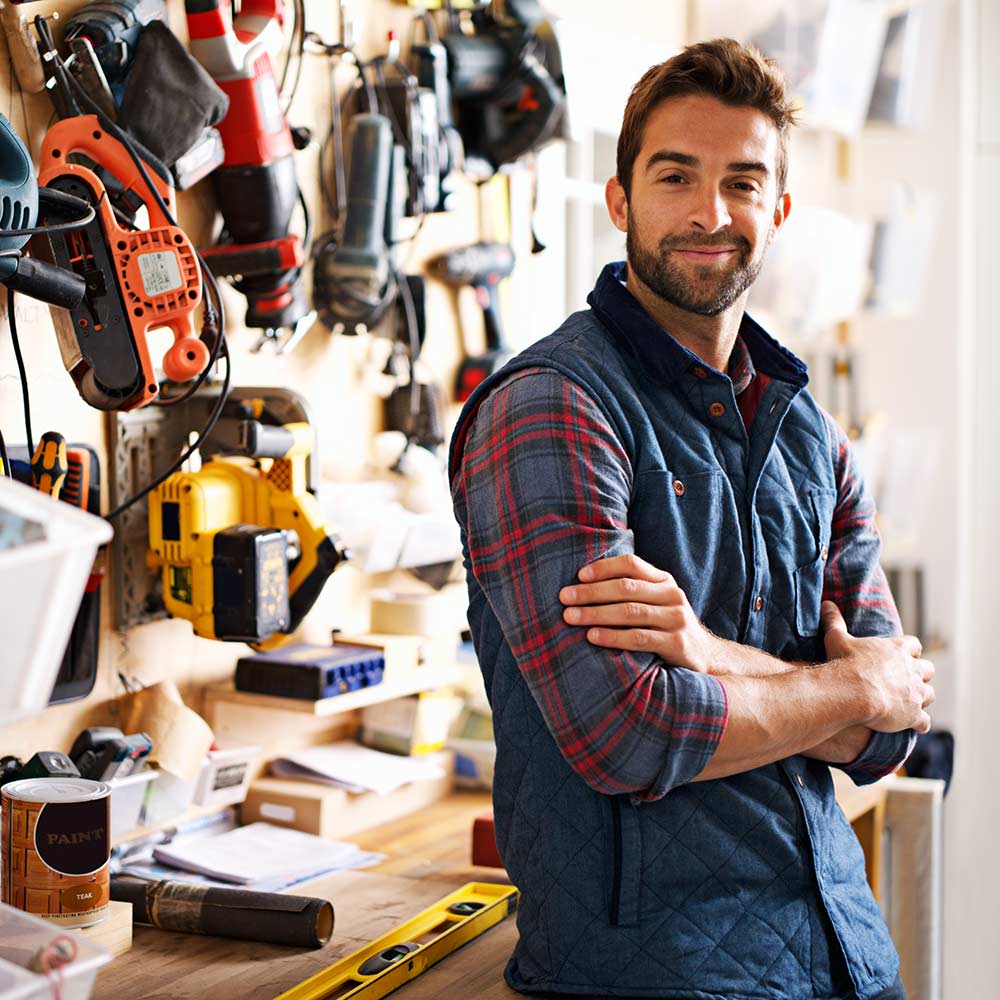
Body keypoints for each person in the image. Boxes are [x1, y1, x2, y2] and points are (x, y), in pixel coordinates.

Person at [448, 37, 934, 1000]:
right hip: (649, 974)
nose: (711, 213)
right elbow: (628, 734)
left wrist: (706, 653)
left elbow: (895, 732)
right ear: (620, 199)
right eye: (677, 176)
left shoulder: (808, 433)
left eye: (743, 182)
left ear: (779, 210)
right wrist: (850, 689)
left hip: (847, 956)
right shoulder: (551, 407)